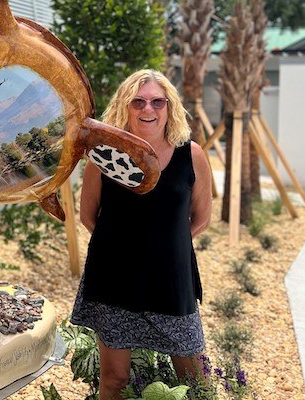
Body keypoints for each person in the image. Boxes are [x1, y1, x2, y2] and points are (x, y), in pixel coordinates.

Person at [70, 69, 212, 399]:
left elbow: (202, 218)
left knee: (196, 379)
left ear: (169, 107)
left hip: (172, 282)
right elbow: (88, 216)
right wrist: (126, 247)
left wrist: (167, 246)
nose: (148, 109)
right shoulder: (104, 156)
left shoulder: (191, 155)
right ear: (126, 107)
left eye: (157, 102)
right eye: (138, 101)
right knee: (114, 380)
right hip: (114, 281)